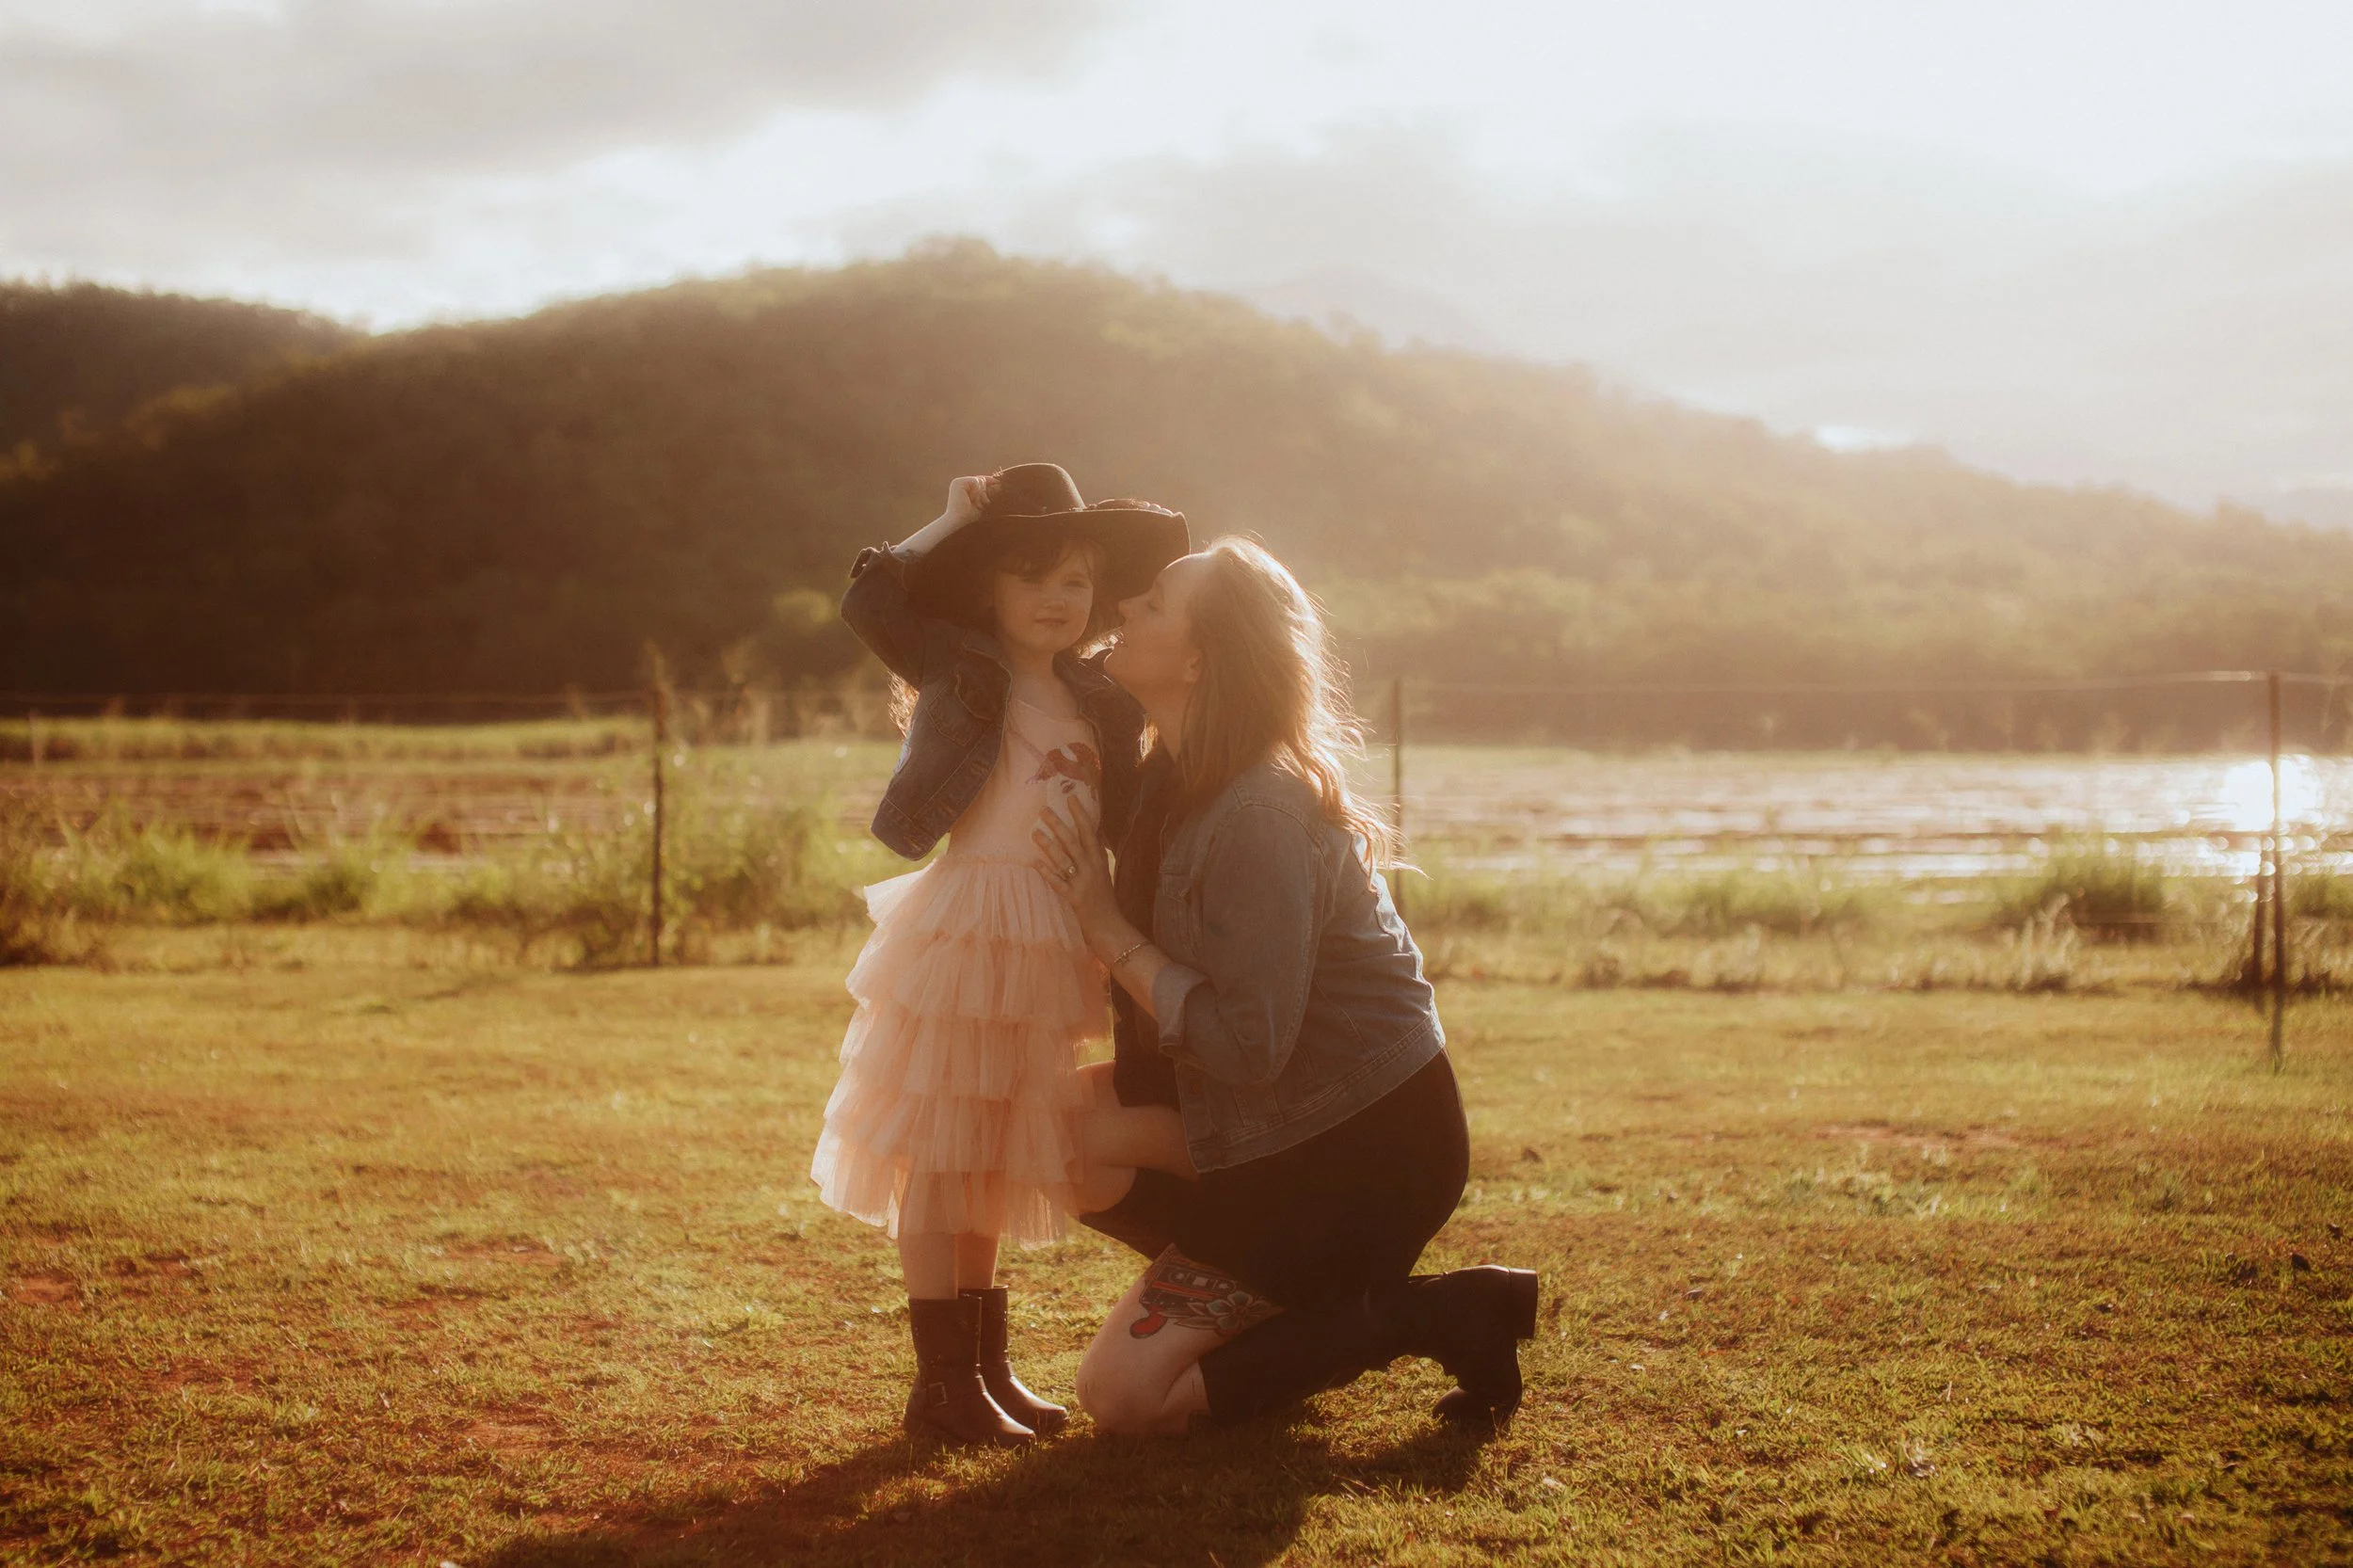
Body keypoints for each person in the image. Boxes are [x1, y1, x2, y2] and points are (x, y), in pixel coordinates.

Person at [1033, 537, 1539, 1435]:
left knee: (1125, 1400)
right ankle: (1290, 1306)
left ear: (1199, 658)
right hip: (1265, 1126)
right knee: (1050, 1135)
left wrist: (1107, 931)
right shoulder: (1170, 776)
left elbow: (1249, 1047)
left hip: (1357, 1154)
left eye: (1151, 603)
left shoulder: (1260, 810)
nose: (1122, 611)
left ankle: (1424, 1314)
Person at [811, 465, 1188, 1447]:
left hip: (1053, 933)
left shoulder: (1099, 697)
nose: (1057, 599)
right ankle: (939, 1387)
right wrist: (950, 517)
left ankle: (981, 1367)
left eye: (1076, 580)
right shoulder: (957, 665)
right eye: (1032, 577)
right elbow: (868, 598)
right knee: (943, 1151)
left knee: (988, 1153)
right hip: (973, 922)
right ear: (990, 590)